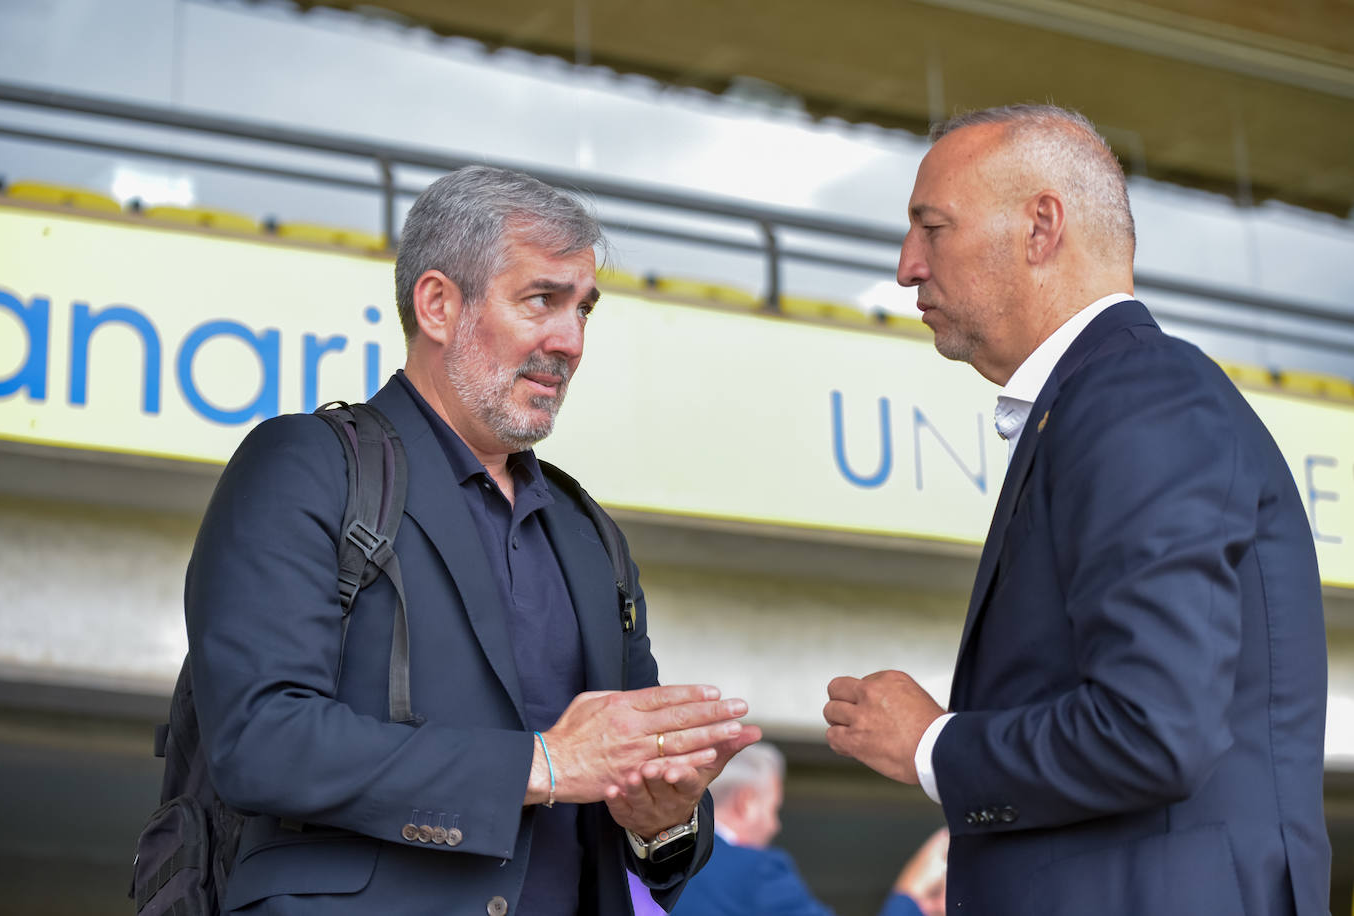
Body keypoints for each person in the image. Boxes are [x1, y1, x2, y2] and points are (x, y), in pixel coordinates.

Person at [185, 165, 761, 914]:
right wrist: (544, 763)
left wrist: (662, 814)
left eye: (584, 309)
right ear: (437, 305)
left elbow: (646, 828)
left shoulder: (590, 535)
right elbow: (261, 739)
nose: (571, 340)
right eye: (541, 300)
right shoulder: (305, 464)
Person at [823, 105, 1330, 915]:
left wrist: (933, 744)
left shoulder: (1135, 395)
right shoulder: (1113, 398)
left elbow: (1152, 729)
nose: (907, 265)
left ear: (1040, 227)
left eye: (933, 226)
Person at [673, 742, 946, 916]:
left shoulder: (652, 860)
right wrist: (910, 891)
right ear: (746, 803)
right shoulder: (755, 871)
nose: (775, 826)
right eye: (773, 809)